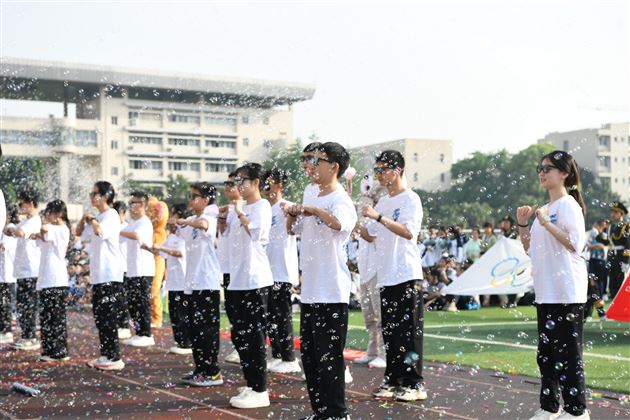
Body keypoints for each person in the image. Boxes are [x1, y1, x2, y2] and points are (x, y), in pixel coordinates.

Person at [287, 142, 357, 420]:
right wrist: (292, 216)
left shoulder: (341, 199)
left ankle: (337, 414)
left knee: (330, 358)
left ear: (334, 167)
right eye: (306, 160)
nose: (308, 165)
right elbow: (296, 229)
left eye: (315, 160)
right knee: (311, 357)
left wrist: (313, 210)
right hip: (311, 290)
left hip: (332, 290)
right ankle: (320, 412)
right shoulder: (310, 192)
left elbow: (340, 224)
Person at [517, 150, 589, 420]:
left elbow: (575, 244)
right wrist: (524, 225)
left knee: (568, 355)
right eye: (540, 168)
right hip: (546, 291)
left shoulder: (568, 205)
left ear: (564, 174)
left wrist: (546, 223)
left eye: (548, 168)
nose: (542, 172)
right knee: (546, 355)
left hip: (566, 291)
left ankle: (576, 411)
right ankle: (550, 407)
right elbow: (530, 250)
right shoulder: (545, 210)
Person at [360, 150, 427, 402]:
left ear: (397, 170)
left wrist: (377, 216)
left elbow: (409, 231)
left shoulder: (411, 199)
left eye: (382, 170)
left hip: (406, 274)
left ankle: (414, 383)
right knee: (391, 333)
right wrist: (359, 216)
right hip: (386, 275)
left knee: (409, 332)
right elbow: (371, 235)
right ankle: (393, 378)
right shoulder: (384, 202)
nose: (378, 175)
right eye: (376, 170)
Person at [221, 163, 273, 409]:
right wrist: (226, 219)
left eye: (243, 181)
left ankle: (260, 389)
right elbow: (230, 241)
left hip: (254, 280)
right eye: (236, 181)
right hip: (236, 279)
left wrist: (240, 212)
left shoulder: (262, 206)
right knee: (239, 335)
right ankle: (251, 382)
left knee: (253, 336)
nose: (238, 186)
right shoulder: (235, 208)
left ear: (256, 183)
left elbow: (258, 234)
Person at [176, 182, 223, 387]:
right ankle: (200, 369)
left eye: (194, 196)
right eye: (190, 195)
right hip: (193, 282)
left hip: (207, 282)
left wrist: (185, 221)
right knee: (195, 330)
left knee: (207, 330)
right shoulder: (192, 220)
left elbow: (204, 226)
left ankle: (212, 372)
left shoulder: (210, 216)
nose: (190, 199)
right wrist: (184, 222)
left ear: (205, 200)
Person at [77, 181, 126, 371]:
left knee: (108, 316)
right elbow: (79, 233)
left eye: (95, 193)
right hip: (99, 274)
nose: (91, 196)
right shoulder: (99, 216)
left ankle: (114, 356)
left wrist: (93, 221)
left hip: (110, 274)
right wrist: (84, 220)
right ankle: (106, 354)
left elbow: (99, 231)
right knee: (100, 316)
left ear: (106, 196)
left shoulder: (111, 215)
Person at [261, 168, 301, 374]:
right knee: (270, 317)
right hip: (267, 271)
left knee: (282, 315)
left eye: (269, 182)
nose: (265, 186)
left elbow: (292, 228)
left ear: (279, 184)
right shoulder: (265, 209)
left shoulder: (285, 206)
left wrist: (290, 213)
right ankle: (277, 354)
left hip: (282, 271)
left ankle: (289, 357)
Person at [149, 204, 191, 355]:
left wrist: (161, 248)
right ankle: (179, 341)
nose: (171, 219)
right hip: (173, 283)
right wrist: (149, 247)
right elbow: (160, 251)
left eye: (174, 215)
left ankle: (187, 343)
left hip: (183, 282)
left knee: (183, 313)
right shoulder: (171, 236)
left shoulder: (186, 235)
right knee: (174, 313)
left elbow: (179, 253)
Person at [32, 200, 71, 361]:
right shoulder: (51, 231)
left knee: (56, 317)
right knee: (47, 317)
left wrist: (39, 224)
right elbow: (41, 235)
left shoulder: (61, 229)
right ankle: (48, 350)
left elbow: (44, 229)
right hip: (47, 279)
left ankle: (59, 351)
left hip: (56, 279)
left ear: (59, 214)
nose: (47, 216)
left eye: (49, 212)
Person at [4, 189, 42, 351]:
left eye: (22, 204)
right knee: (22, 306)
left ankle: (30, 337)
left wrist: (13, 228)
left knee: (28, 306)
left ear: (31, 203)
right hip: (23, 270)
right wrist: (10, 227)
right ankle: (27, 335)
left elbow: (19, 233)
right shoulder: (25, 221)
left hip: (31, 270)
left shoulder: (34, 221)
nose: (19, 207)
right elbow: (10, 231)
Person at [353, 192, 387, 369]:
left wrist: (355, 221)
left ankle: (383, 353)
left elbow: (369, 236)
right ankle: (372, 351)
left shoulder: (380, 217)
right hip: (364, 270)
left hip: (377, 270)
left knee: (380, 315)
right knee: (369, 316)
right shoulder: (367, 218)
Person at [119, 191, 156, 347]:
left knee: (142, 303)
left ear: (141, 205)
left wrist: (118, 231)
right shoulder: (132, 223)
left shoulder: (144, 222)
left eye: (132, 203)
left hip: (143, 270)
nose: (130, 206)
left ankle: (146, 334)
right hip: (133, 270)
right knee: (133, 303)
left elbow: (136, 235)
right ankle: (139, 332)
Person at [217, 171, 242, 365]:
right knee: (233, 311)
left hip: (240, 269)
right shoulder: (227, 210)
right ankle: (238, 346)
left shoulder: (244, 207)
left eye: (232, 184)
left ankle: (243, 347)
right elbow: (223, 234)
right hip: (227, 267)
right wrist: (222, 218)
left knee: (243, 314)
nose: (228, 187)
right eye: (226, 184)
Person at [113, 201, 132, 340]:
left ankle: (124, 326)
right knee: (114, 298)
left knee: (122, 299)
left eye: (117, 214)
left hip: (125, 268)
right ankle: (117, 324)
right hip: (113, 269)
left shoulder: (127, 227)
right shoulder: (110, 226)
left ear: (123, 214)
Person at [0, 205, 19, 344]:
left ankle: (6, 331)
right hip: (3, 275)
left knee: (5, 304)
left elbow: (3, 246)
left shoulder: (10, 228)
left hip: (7, 275)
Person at [604, 201, 629, 300]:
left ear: (621, 214)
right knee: (612, 285)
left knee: (621, 285)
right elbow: (607, 242)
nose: (612, 214)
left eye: (615, 212)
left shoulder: (626, 226)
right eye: (612, 212)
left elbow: (628, 245)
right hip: (612, 258)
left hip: (620, 258)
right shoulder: (610, 227)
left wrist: (626, 262)